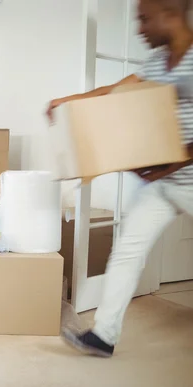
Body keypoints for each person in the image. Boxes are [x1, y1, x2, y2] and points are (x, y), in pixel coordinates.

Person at [47, 0, 193, 357]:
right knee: (127, 251)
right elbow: (118, 90)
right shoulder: (159, 62)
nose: (139, 29)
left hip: (183, 174)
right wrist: (69, 100)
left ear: (169, 12)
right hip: (164, 182)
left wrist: (172, 163)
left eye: (144, 19)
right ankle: (104, 336)